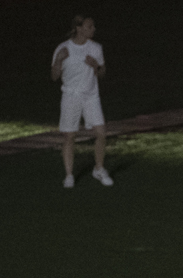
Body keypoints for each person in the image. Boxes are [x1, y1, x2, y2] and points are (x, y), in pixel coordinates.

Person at [52, 15, 112, 188]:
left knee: (101, 133)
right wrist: (58, 60)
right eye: (90, 26)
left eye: (93, 26)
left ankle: (99, 169)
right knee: (70, 136)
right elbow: (54, 76)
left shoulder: (96, 48)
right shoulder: (63, 48)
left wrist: (95, 66)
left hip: (91, 96)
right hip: (71, 96)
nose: (93, 29)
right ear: (79, 28)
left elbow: (102, 74)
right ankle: (69, 175)